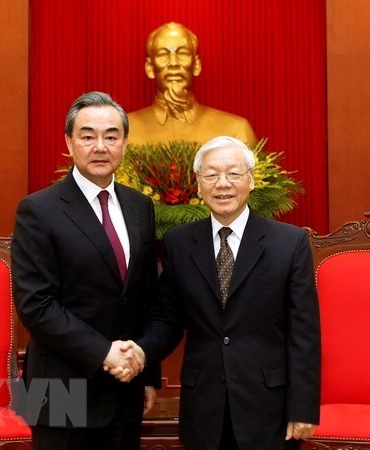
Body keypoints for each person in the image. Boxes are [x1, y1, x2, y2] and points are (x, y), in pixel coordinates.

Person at [134, 136, 321, 449]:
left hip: (268, 407)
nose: (223, 184)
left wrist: (303, 407)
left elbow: (304, 332)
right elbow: (167, 318)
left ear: (250, 180)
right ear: (198, 183)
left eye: (233, 174)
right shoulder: (179, 243)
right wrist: (141, 355)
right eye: (211, 175)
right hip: (203, 405)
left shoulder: (288, 243)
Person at [11, 91, 159, 450]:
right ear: (69, 142)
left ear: (124, 143)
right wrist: (103, 353)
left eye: (111, 136)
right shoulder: (37, 209)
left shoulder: (140, 207)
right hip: (57, 386)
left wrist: (148, 372)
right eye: (88, 135)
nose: (100, 146)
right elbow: (36, 304)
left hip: (125, 386)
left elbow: (145, 297)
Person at [128, 22, 258, 147]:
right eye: (163, 54)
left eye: (182, 53)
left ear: (196, 65)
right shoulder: (124, 131)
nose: (173, 63)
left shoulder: (235, 131)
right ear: (150, 67)